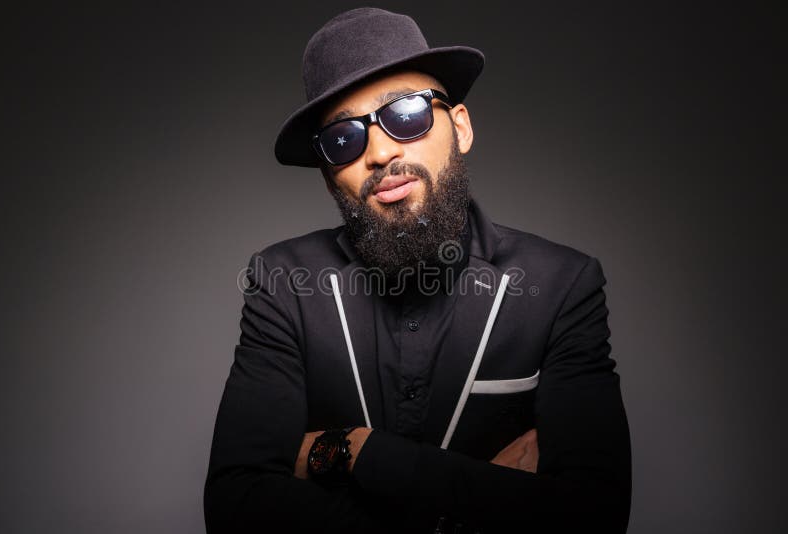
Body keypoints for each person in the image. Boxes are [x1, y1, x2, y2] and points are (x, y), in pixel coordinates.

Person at [204, 7, 631, 534]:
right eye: (342, 140)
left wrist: (356, 452)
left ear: (460, 127)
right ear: (327, 175)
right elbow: (236, 508)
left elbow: (594, 515)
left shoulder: (564, 286)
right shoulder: (282, 284)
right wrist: (481, 499)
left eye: (405, 113)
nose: (380, 152)